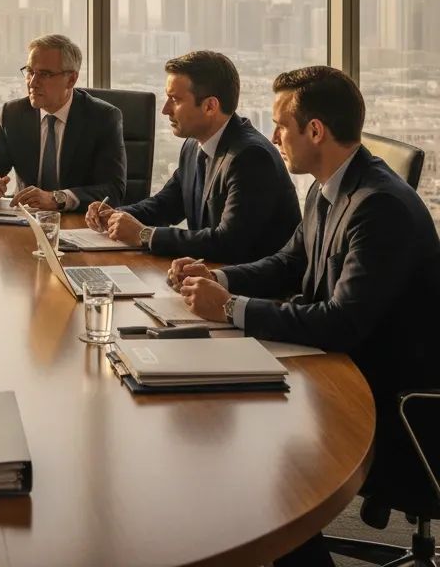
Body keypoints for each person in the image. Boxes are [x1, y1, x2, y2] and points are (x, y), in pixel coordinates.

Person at [174, 66, 440, 567]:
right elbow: (289, 261)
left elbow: (341, 322)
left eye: (281, 125)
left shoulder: (378, 207)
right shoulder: (329, 185)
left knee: (250, 449)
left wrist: (229, 308)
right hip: (337, 369)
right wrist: (220, 278)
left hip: (392, 403)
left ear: (315, 130)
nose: (273, 137)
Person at [85, 51, 299, 263]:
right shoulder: (193, 145)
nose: (165, 110)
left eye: (175, 100)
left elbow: (229, 243)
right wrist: (113, 215)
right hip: (205, 274)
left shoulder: (251, 157)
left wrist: (145, 235)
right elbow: (165, 204)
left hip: (248, 281)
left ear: (210, 106)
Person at [0, 34, 125, 211]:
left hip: (79, 221)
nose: (33, 83)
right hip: (24, 219)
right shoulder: (13, 114)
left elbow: (113, 191)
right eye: (30, 72)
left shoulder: (103, 118)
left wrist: (56, 198)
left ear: (71, 79)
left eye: (44, 74)